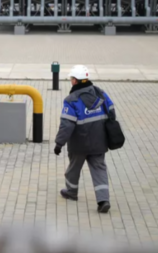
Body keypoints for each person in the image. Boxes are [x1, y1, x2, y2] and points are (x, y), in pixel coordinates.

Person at [53, 65, 116, 213]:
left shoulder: (71, 100)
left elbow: (67, 125)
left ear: (75, 81)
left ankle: (71, 192)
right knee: (99, 169)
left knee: (74, 168)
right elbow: (111, 111)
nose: (70, 80)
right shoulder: (100, 93)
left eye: (71, 78)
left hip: (78, 143)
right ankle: (103, 200)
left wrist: (59, 143)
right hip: (99, 141)